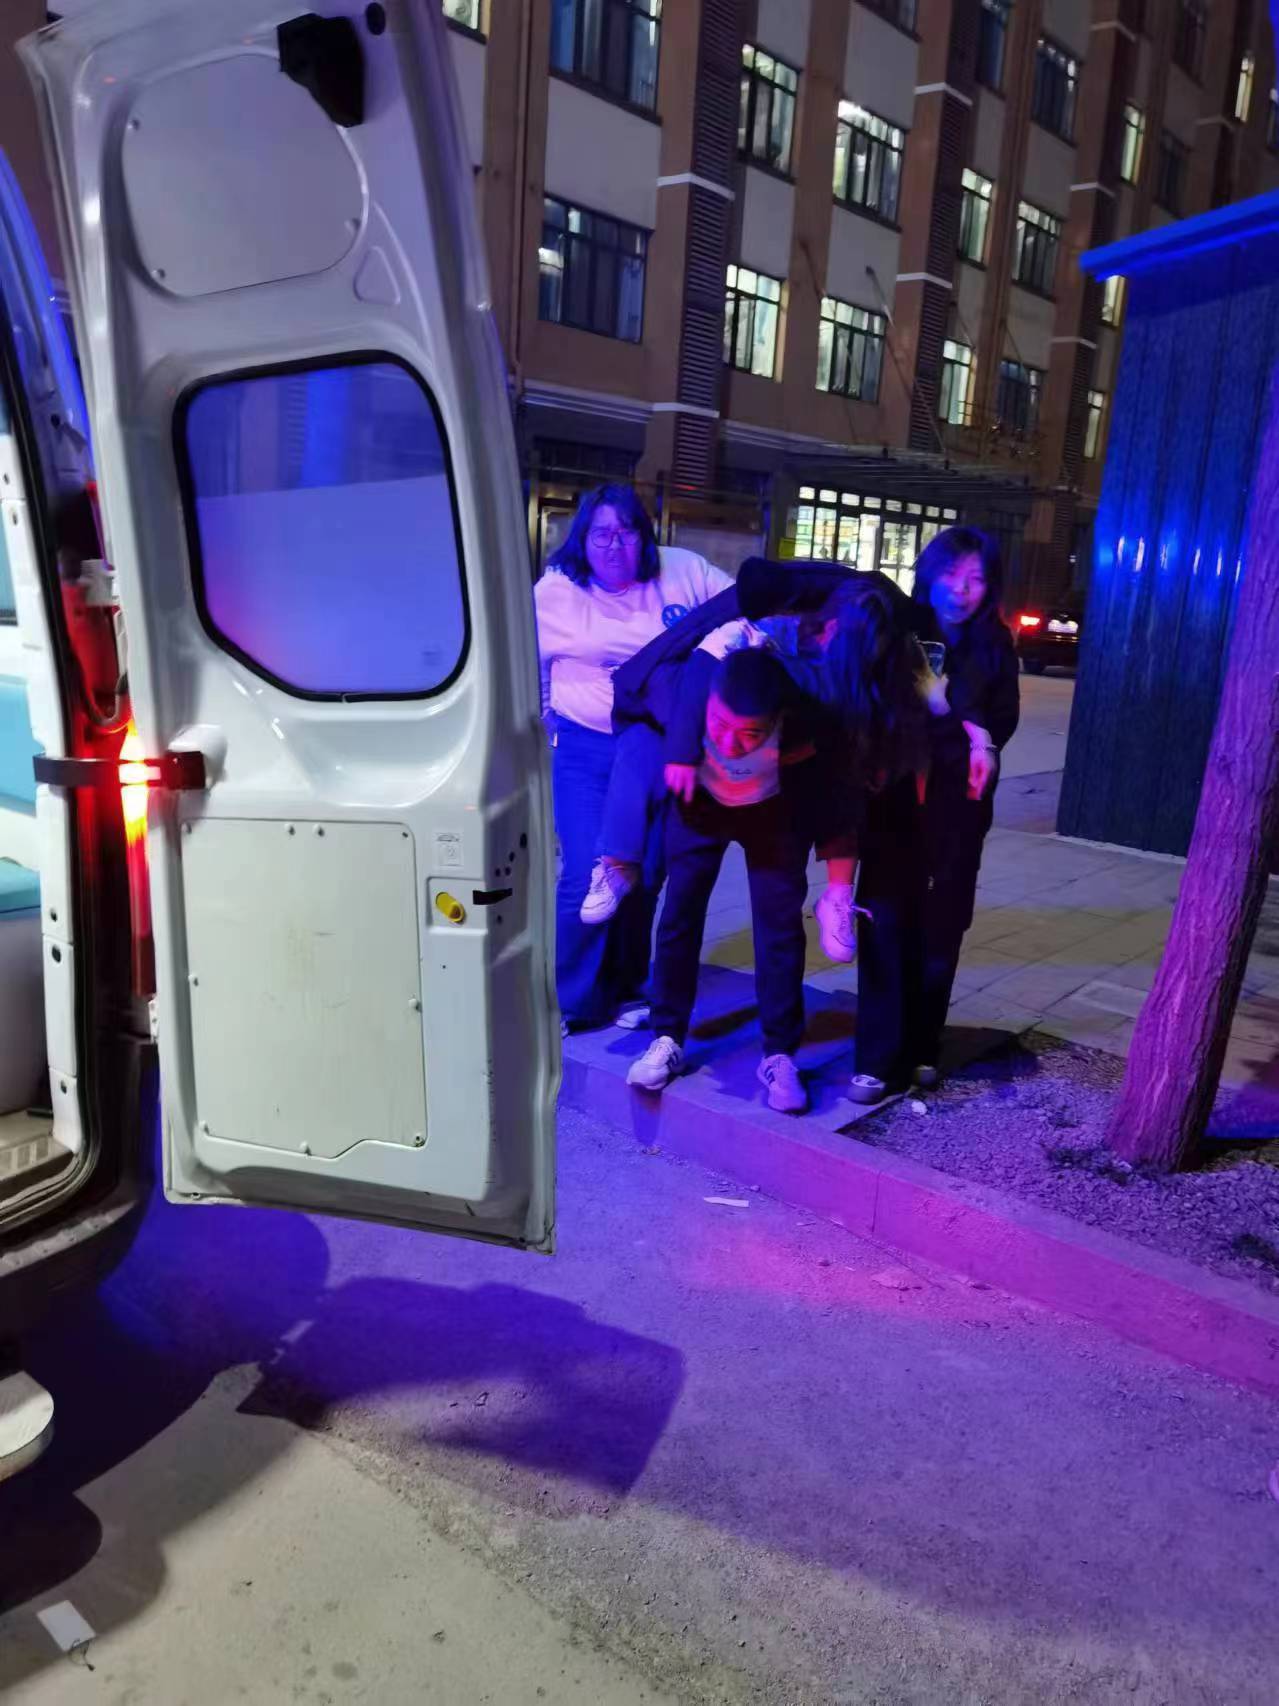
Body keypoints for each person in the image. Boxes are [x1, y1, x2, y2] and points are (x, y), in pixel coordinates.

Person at [534, 484, 747, 1032]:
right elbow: (529, 660)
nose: (614, 545)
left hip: (655, 741)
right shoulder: (557, 590)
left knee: (646, 871)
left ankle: (626, 984)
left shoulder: (682, 571)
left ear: (644, 536)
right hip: (584, 746)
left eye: (626, 532)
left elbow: (742, 607)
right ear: (583, 539)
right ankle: (573, 1000)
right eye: (601, 534)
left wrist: (716, 652)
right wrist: (548, 714)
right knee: (587, 872)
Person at [846, 526, 1020, 1103]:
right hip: (894, 800)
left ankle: (923, 1044)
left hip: (958, 809)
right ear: (928, 572)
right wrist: (960, 725)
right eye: (951, 574)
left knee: (942, 926)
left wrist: (962, 722)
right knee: (884, 920)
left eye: (975, 578)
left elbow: (1003, 719)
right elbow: (882, 704)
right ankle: (877, 1058)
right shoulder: (902, 625)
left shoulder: (995, 642)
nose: (962, 589)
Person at [624, 647, 819, 1113]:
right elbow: (634, 683)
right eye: (720, 726)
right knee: (680, 915)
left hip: (773, 813)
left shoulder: (805, 709)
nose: (730, 744)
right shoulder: (694, 680)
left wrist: (837, 879)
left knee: (779, 926)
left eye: (749, 733)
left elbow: (829, 783)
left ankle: (779, 1054)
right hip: (700, 807)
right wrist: (680, 750)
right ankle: (667, 1035)